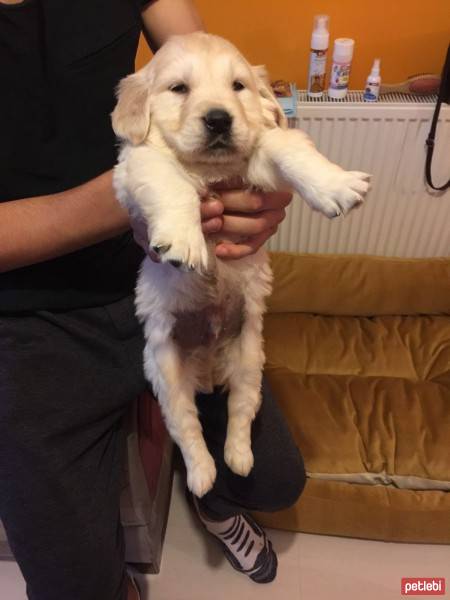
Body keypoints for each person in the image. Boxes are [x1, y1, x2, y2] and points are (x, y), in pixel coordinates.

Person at [0, 1, 306, 599]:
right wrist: (131, 198)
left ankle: (211, 499)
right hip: (26, 317)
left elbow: (208, 64)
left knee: (273, 480)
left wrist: (253, 172)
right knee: (74, 588)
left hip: (168, 271)